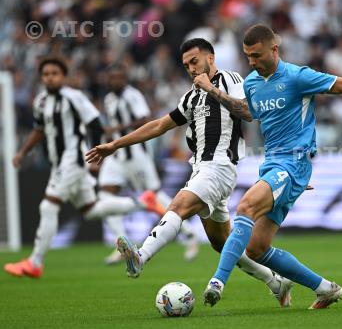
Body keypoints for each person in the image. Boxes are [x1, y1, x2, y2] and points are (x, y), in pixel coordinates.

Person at [86, 38, 294, 307]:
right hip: (202, 168)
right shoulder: (191, 96)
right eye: (186, 65)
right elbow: (159, 125)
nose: (191, 69)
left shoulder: (230, 79)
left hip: (219, 166)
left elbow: (248, 112)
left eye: (194, 61)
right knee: (222, 244)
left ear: (210, 58)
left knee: (179, 205)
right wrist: (115, 144)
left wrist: (213, 90)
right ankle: (276, 282)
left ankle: (141, 255)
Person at [200, 24, 342, 309]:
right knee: (255, 247)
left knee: (245, 208)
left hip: (293, 164)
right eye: (247, 56)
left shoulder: (297, 76)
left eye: (256, 55)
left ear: (274, 48)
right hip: (274, 165)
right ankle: (325, 288)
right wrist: (215, 93)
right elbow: (248, 112)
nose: (251, 61)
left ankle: (217, 281)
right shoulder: (252, 83)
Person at [3, 56, 162, 279]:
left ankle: (35, 262)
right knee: (91, 210)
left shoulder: (74, 97)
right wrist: (22, 151)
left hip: (73, 161)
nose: (50, 78)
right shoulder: (40, 101)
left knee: (48, 207)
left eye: (54, 73)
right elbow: (39, 129)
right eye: (46, 74)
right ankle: (143, 202)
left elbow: (95, 123)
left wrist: (98, 155)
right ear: (41, 77)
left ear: (63, 76)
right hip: (60, 163)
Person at [99, 65, 199, 264]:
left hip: (136, 155)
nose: (116, 82)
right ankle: (121, 244)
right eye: (112, 78)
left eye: (119, 77)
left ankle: (188, 234)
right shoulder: (109, 99)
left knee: (153, 195)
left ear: (125, 79)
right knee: (104, 194)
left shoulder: (132, 95)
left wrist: (117, 129)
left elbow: (144, 120)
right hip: (117, 158)